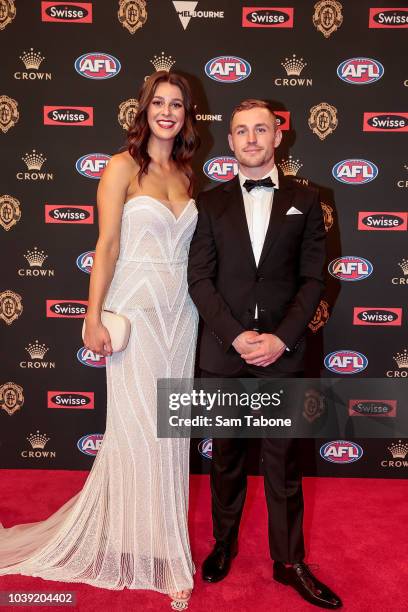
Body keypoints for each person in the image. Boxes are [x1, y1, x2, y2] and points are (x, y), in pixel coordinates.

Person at [0, 71, 199, 610]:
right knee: (136, 430)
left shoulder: (185, 172)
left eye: (176, 104)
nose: (167, 111)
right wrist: (93, 317)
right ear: (144, 109)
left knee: (171, 433)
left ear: (187, 114)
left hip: (182, 317)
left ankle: (163, 545)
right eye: (158, 102)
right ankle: (142, 550)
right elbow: (107, 245)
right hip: (133, 310)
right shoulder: (121, 167)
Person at [188, 99, 342, 609]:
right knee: (226, 457)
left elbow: (314, 279)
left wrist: (282, 338)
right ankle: (224, 543)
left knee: (282, 464)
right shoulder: (209, 204)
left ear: (279, 137)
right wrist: (235, 336)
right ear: (229, 142)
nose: (251, 139)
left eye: (261, 130)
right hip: (224, 354)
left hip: (284, 353)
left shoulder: (309, 198)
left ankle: (288, 561)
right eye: (240, 131)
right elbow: (200, 280)